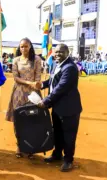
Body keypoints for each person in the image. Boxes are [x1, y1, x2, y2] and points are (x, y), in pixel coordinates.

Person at [37, 44, 82, 172]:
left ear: (67, 53)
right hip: (57, 107)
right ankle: (57, 154)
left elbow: (61, 87)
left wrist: (46, 101)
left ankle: (68, 160)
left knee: (68, 135)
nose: (57, 54)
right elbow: (53, 81)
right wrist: (42, 85)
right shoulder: (58, 64)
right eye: (56, 52)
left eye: (60, 52)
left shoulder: (70, 68)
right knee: (57, 132)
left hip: (69, 109)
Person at [5, 37, 42, 158]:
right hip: (19, 93)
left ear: (30, 46)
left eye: (26, 46)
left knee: (32, 119)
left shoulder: (36, 60)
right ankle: (20, 145)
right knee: (19, 120)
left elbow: (38, 77)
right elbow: (16, 78)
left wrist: (34, 84)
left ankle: (30, 146)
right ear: (19, 48)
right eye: (21, 46)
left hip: (33, 94)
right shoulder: (15, 60)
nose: (24, 48)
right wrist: (29, 83)